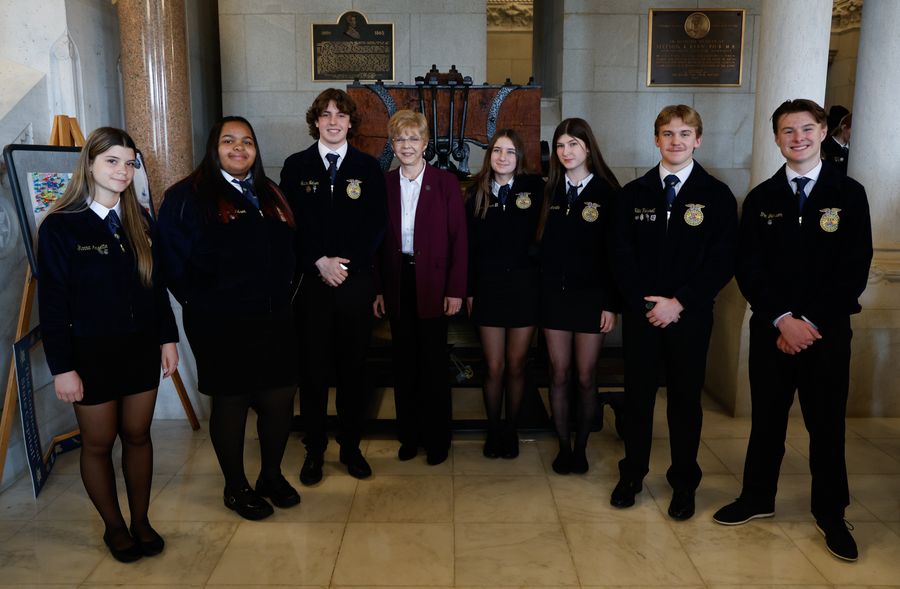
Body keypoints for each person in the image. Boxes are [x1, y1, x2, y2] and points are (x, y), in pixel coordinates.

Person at [712, 99, 873, 562]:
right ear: (776, 139)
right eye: (787, 130)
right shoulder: (762, 197)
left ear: (822, 131)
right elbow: (749, 267)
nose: (797, 138)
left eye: (806, 128)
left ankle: (831, 512)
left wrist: (810, 322)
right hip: (772, 331)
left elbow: (853, 268)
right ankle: (757, 497)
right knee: (767, 421)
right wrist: (783, 319)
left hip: (826, 334)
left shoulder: (849, 193)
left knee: (827, 426)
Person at [37, 127, 178, 562]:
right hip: (90, 354)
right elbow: (52, 303)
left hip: (140, 349)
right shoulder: (61, 226)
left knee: (138, 436)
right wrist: (62, 367)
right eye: (112, 161)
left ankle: (141, 521)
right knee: (98, 443)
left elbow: (155, 287)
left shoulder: (140, 221)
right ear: (90, 164)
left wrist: (168, 338)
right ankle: (114, 528)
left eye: (129, 163)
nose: (123, 171)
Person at [158, 116, 300, 521]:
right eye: (229, 141)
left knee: (278, 396)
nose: (239, 148)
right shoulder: (187, 196)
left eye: (247, 141)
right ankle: (235, 487)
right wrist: (204, 302)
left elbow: (290, 248)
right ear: (214, 147)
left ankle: (270, 476)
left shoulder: (269, 192)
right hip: (220, 322)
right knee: (232, 399)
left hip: (274, 317)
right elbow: (171, 263)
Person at [609, 105, 738, 520]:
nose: (675, 141)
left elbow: (722, 260)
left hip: (690, 316)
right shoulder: (634, 193)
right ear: (656, 139)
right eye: (667, 133)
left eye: (684, 134)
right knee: (638, 398)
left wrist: (679, 302)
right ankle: (632, 475)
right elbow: (620, 254)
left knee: (685, 401)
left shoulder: (716, 195)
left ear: (698, 140)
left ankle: (683, 483)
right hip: (643, 315)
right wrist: (646, 304)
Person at [279, 88, 387, 485]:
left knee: (353, 369)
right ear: (315, 121)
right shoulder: (296, 166)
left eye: (340, 114)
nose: (333, 121)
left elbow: (376, 224)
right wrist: (318, 262)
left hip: (354, 284)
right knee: (313, 371)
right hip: (311, 285)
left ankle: (351, 447)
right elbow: (288, 224)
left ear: (350, 122)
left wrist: (345, 264)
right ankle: (314, 450)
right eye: (325, 114)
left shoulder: (368, 167)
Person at [374, 109, 467, 466]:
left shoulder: (445, 182)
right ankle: (409, 436)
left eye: (414, 138)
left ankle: (437, 439)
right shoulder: (384, 184)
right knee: (404, 364)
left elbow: (459, 240)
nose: (407, 145)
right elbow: (376, 243)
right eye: (400, 139)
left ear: (425, 143)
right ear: (392, 144)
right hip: (397, 281)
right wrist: (379, 289)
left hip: (434, 283)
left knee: (433, 364)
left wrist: (455, 289)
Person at [538, 118, 620, 475]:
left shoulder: (607, 192)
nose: (566, 151)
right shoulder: (549, 191)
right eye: (560, 145)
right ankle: (564, 445)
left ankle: (582, 447)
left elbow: (616, 255)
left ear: (588, 147)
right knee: (558, 373)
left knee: (586, 376)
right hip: (554, 298)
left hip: (592, 299)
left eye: (573, 144)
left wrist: (611, 304)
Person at [465, 129, 543, 459]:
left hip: (524, 289)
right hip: (488, 289)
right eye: (497, 150)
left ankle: (511, 429)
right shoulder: (476, 191)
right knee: (494, 366)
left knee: (516, 365)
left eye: (510, 152)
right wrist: (469, 291)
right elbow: (468, 248)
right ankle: (494, 428)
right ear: (489, 155)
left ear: (519, 157)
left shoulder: (535, 189)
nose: (503, 157)